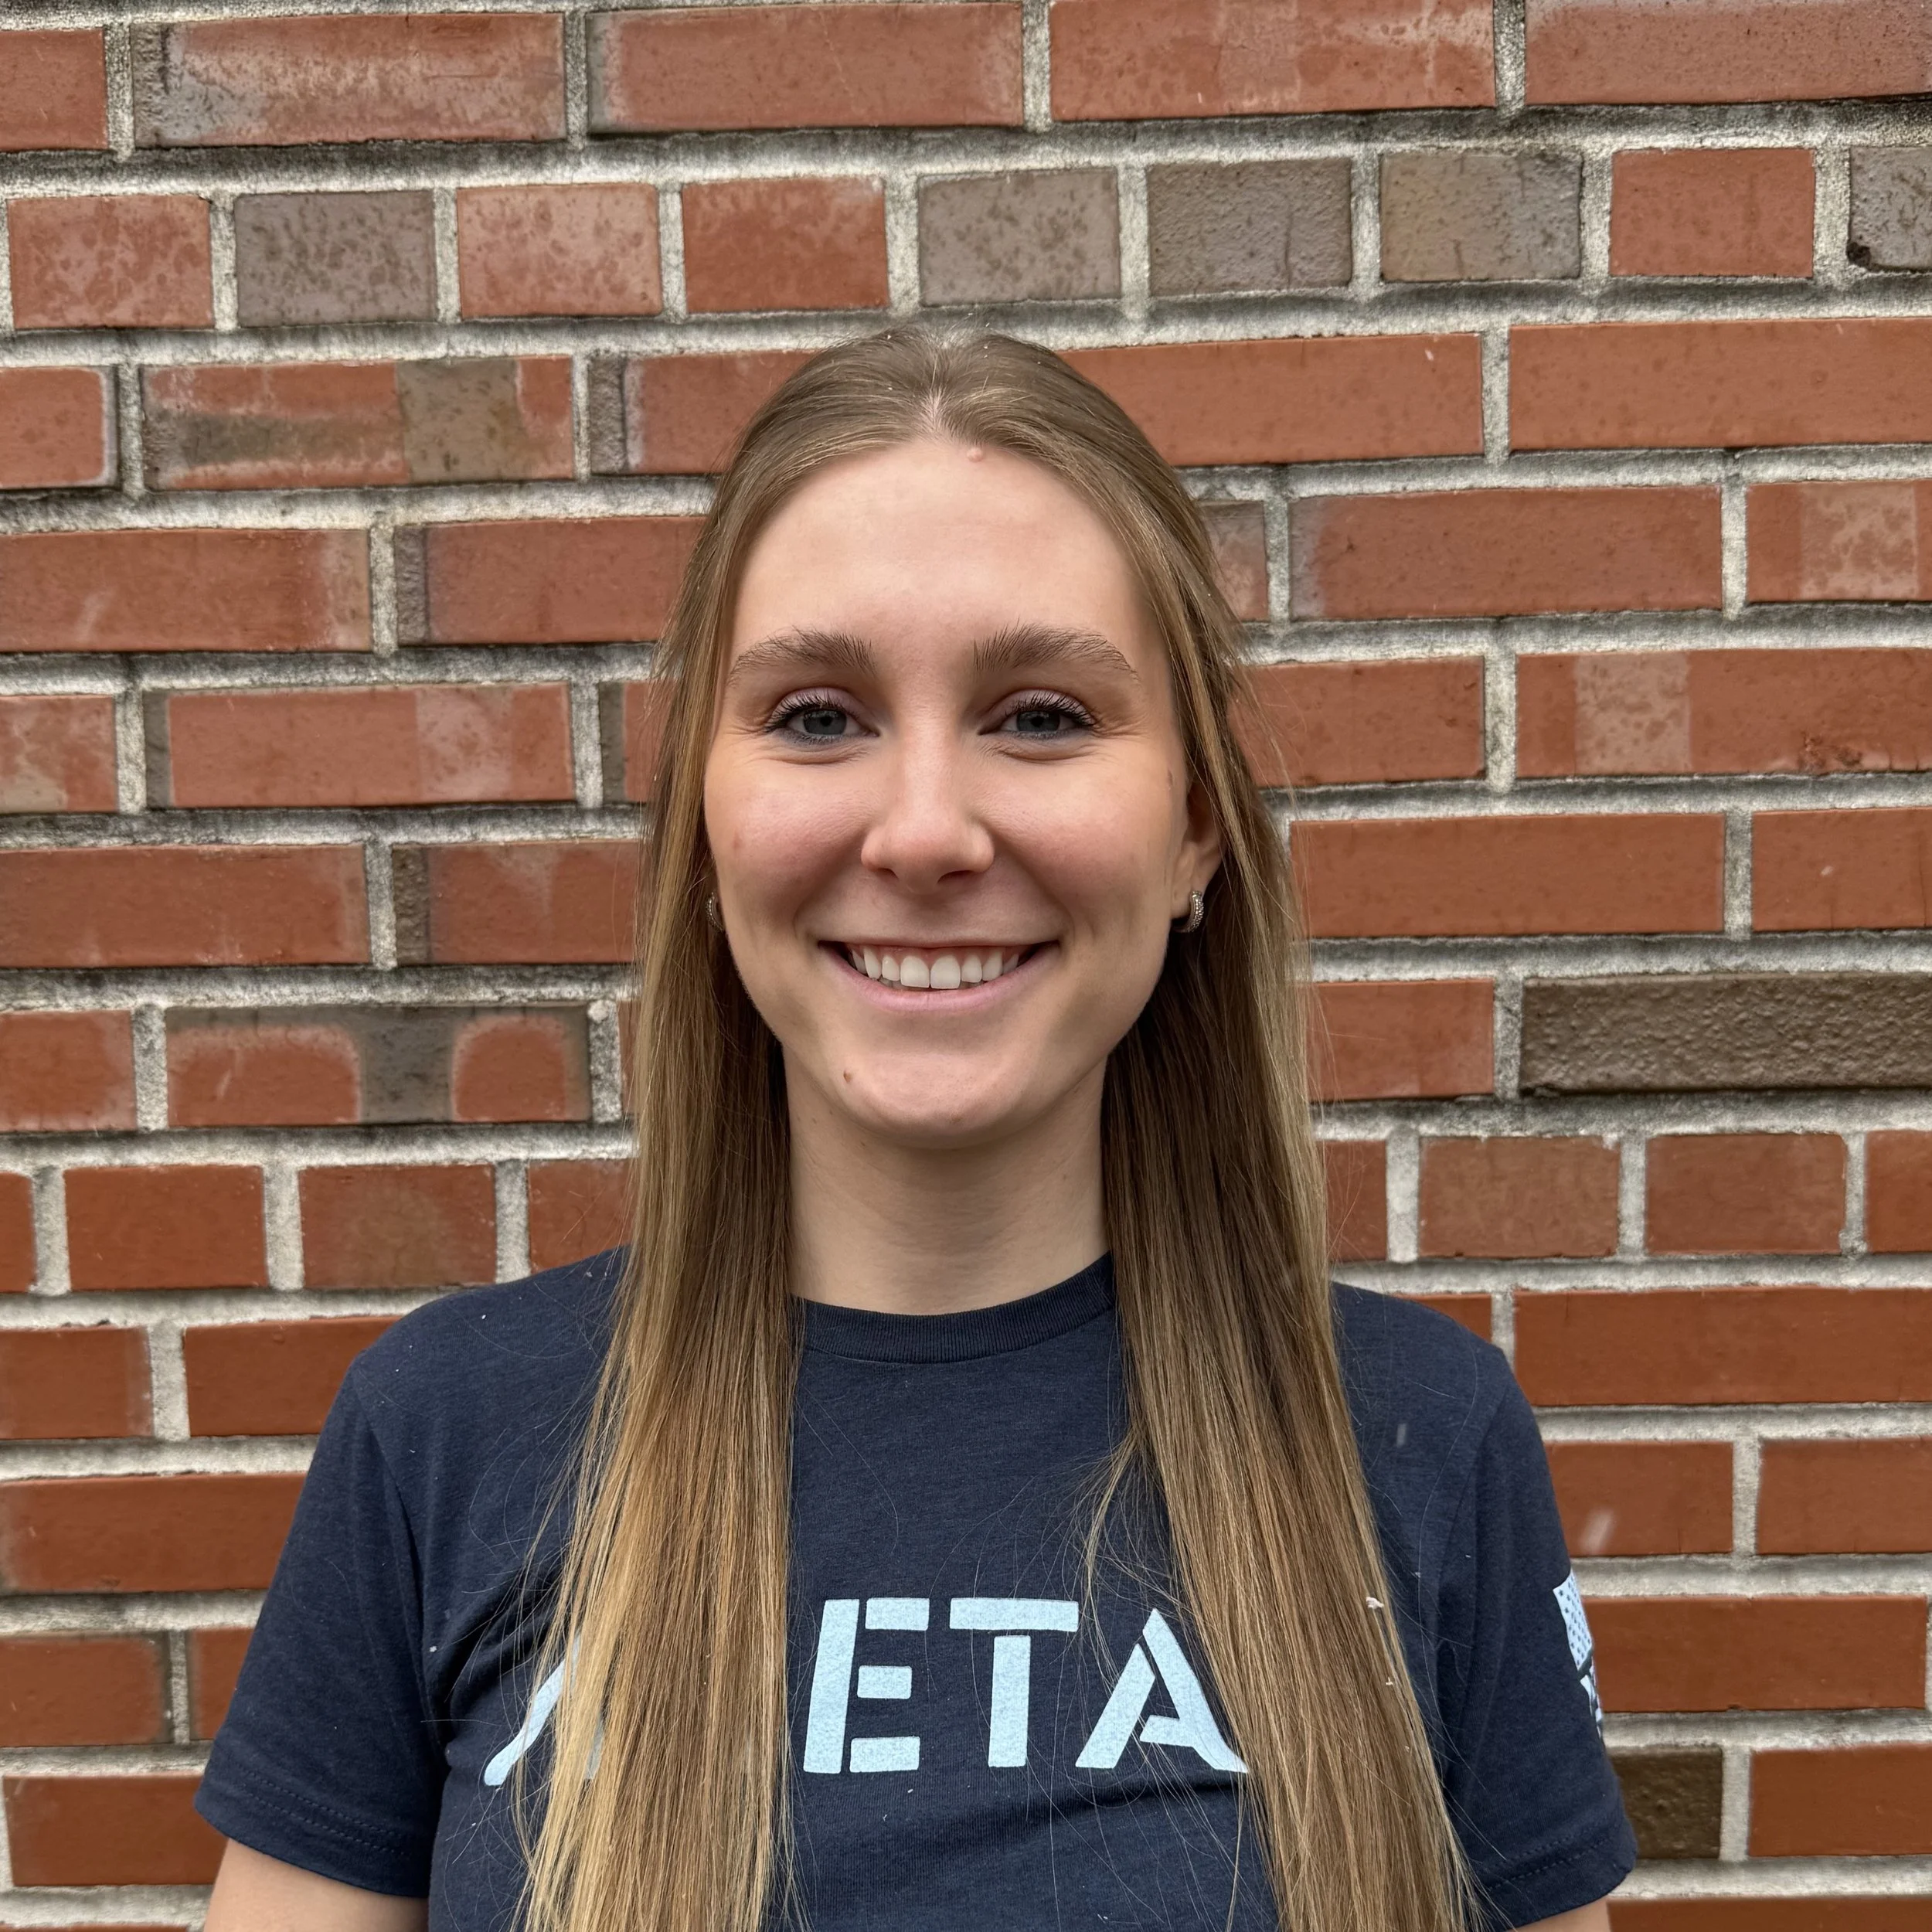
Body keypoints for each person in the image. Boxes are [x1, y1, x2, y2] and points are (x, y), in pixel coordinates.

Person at [197, 328, 1634, 1932]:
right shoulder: (443, 1435)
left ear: (1193, 829)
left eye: (1042, 715)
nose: (926, 830)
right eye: (818, 717)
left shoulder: (1421, 1437)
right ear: (704, 829)